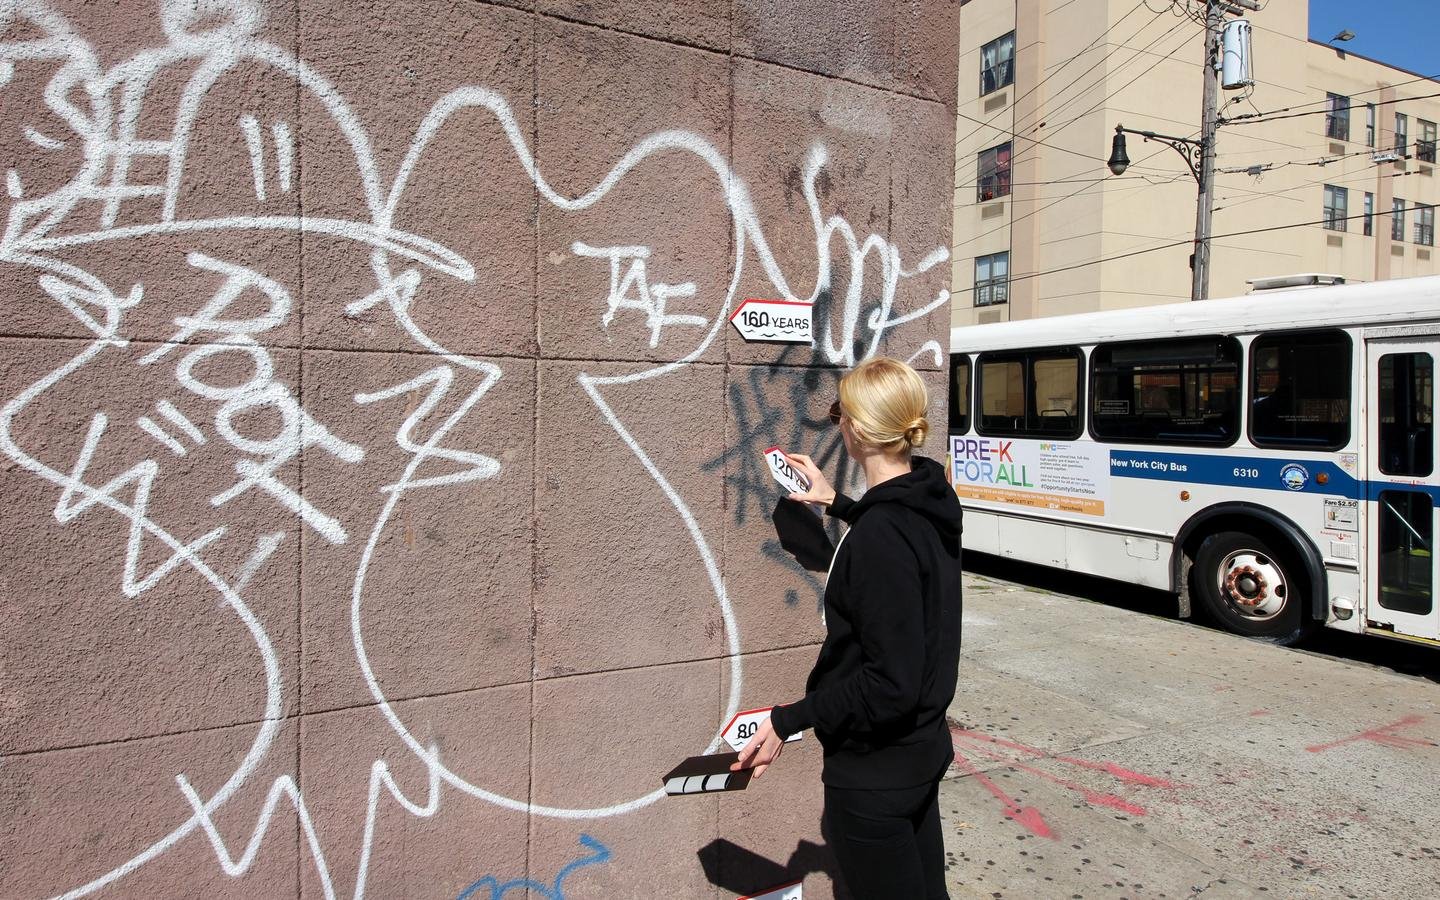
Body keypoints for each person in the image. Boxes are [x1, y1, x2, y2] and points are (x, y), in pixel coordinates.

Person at [734, 356, 963, 899]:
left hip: (874, 777)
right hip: (920, 756)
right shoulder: (932, 499)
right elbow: (897, 538)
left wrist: (787, 720)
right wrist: (837, 503)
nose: (837, 422)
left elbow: (889, 684)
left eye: (839, 413)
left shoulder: (882, 536)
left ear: (856, 430)